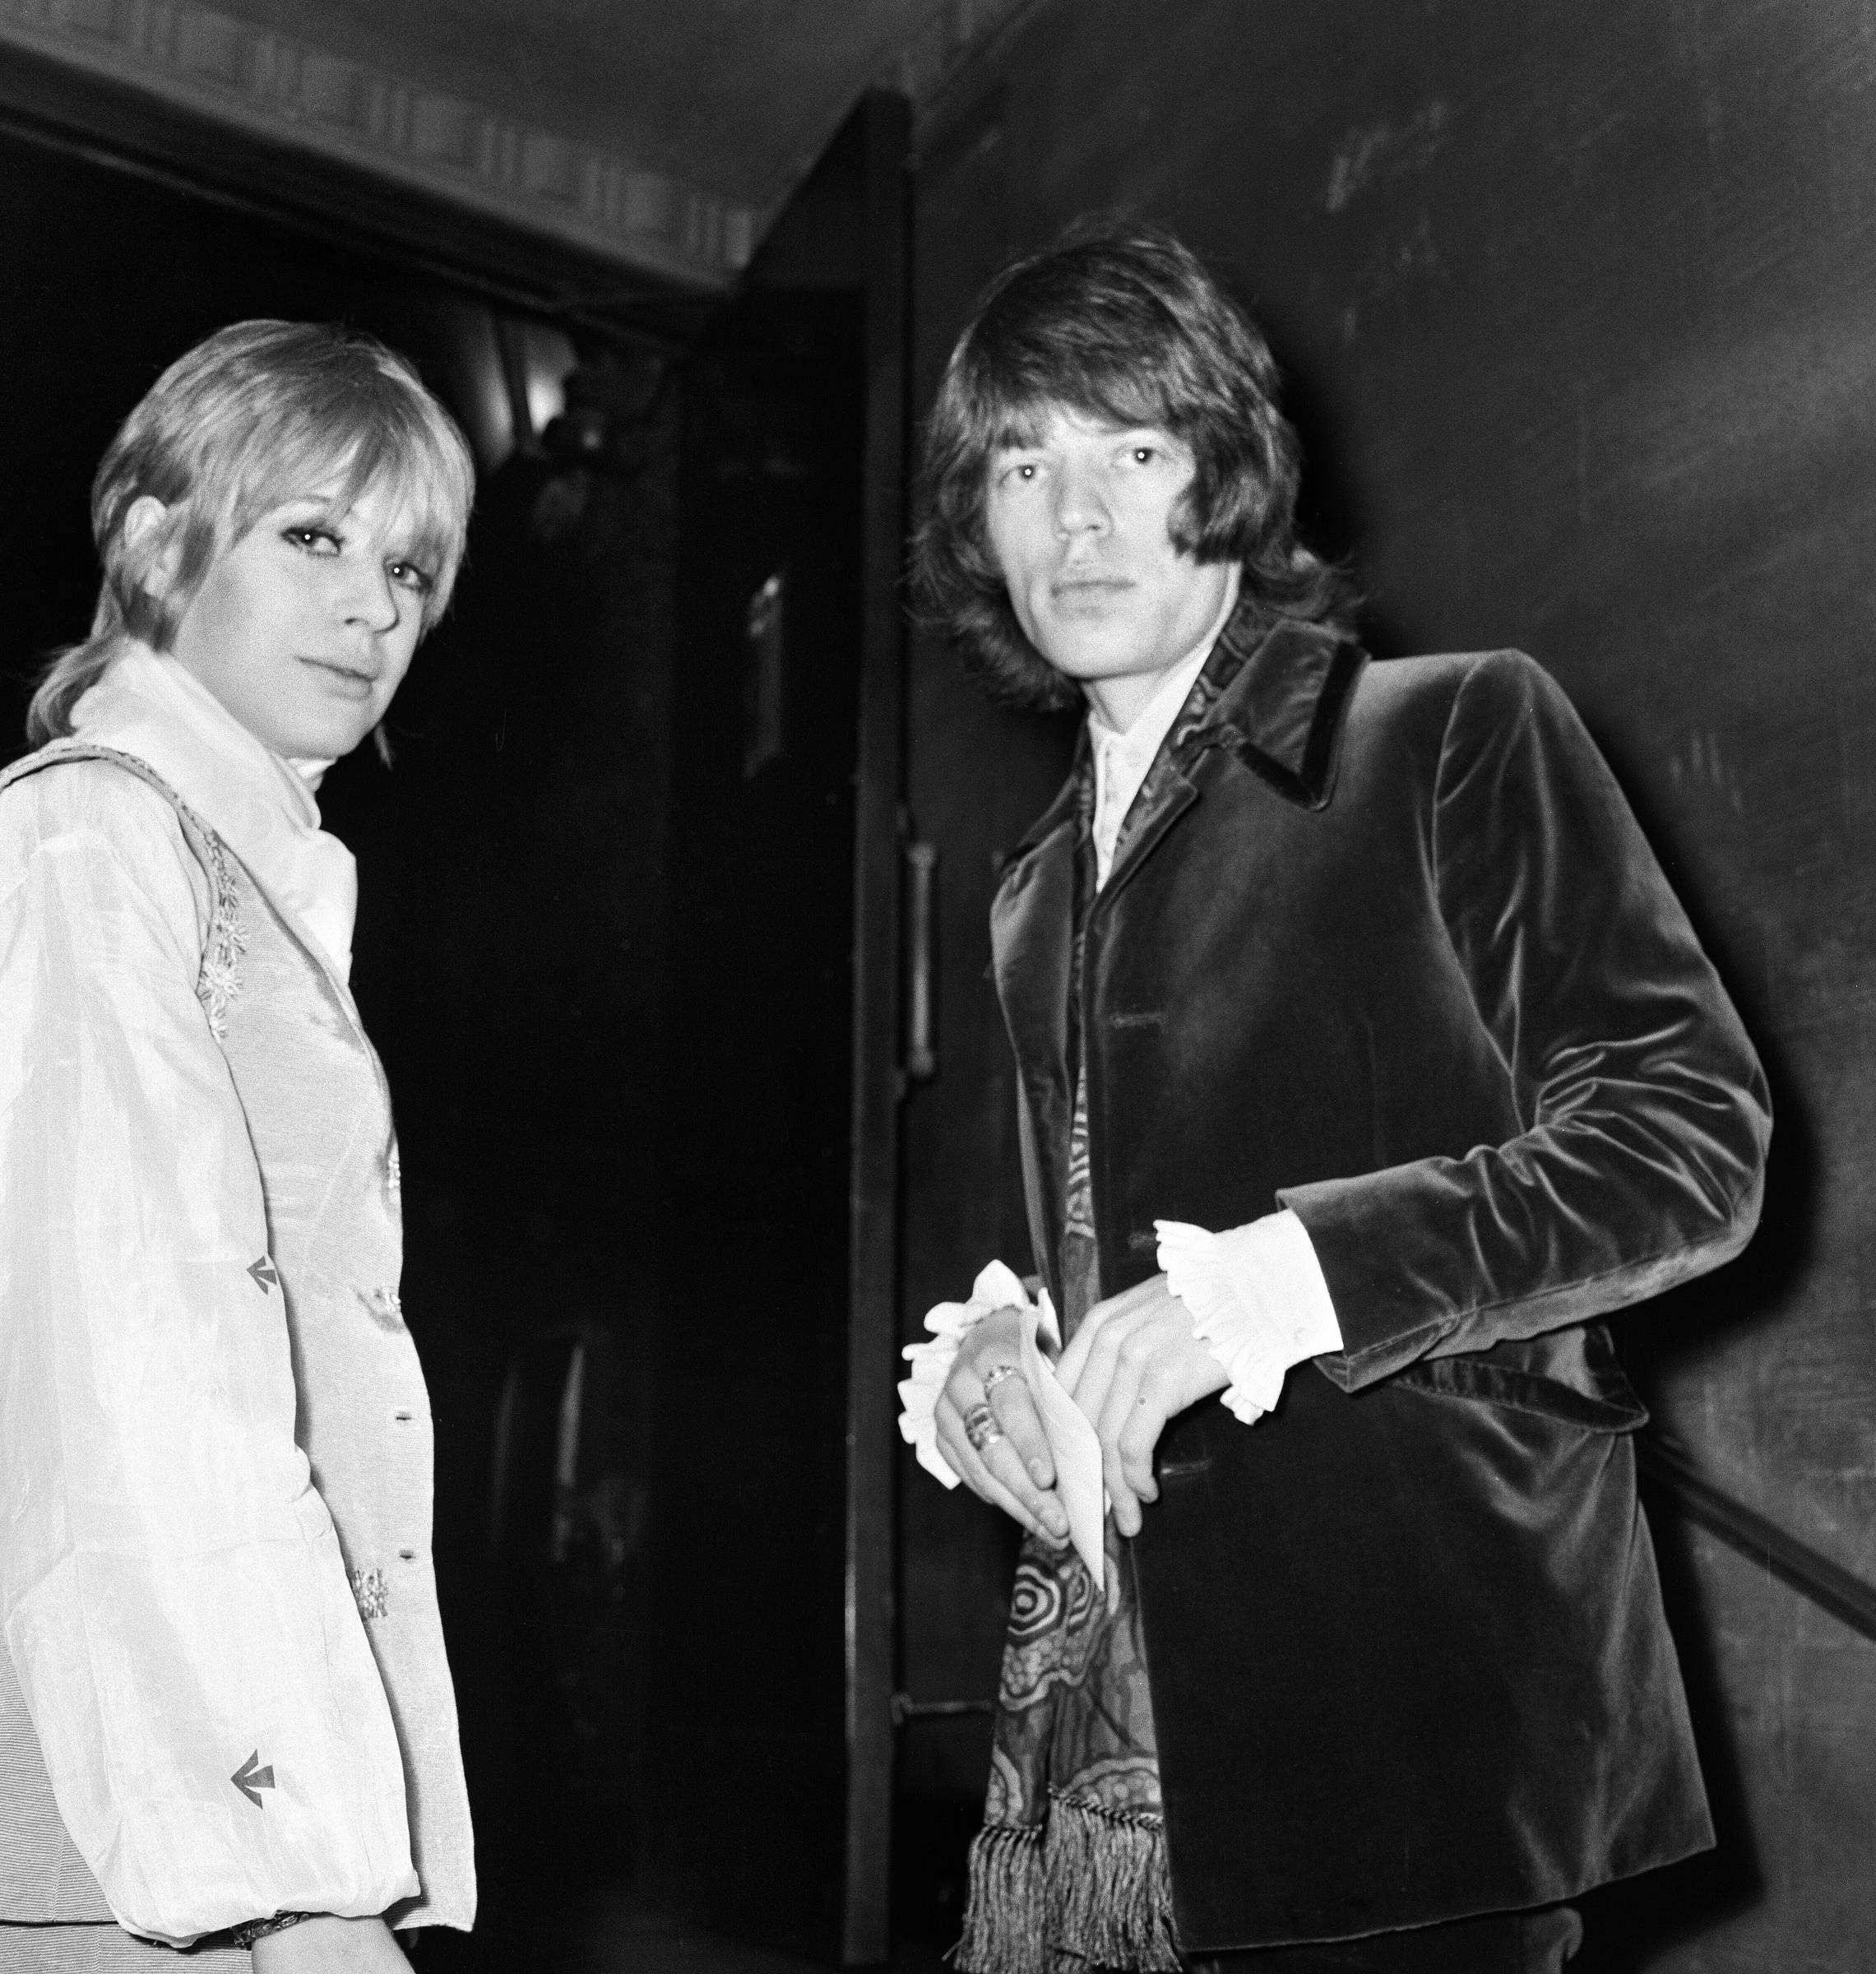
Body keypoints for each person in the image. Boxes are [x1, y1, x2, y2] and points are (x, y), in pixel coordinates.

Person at [899, 223, 1771, 1972]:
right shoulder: (1024, 887)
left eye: (1128, 453)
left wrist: (1268, 1291)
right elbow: (1072, 1233)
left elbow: (1688, 1143)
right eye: (1022, 463)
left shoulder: (1451, 733)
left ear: (1219, 475)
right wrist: (994, 1362)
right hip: (1098, 1726)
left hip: (1413, 1720)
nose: (1073, 519)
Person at [0, 321, 478, 1970]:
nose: (374, 605)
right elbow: (138, 1359)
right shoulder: (97, 833)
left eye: (410, 568)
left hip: (184, 1749)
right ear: (154, 542)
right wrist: (300, 1881)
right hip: (123, 1762)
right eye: (317, 538)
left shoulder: (236, 860)